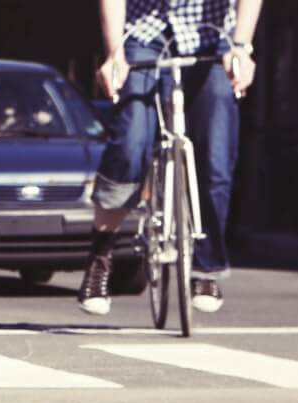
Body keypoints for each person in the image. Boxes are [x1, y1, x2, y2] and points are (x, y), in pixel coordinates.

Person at [78, 0, 262, 316]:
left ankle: (205, 269)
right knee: (130, 140)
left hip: (212, 36)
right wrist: (114, 54)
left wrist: (241, 47)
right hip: (143, 36)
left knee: (215, 154)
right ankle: (101, 255)